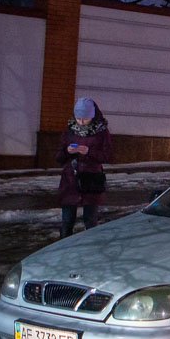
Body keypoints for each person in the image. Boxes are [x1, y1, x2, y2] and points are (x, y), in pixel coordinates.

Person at [56, 97, 113, 238]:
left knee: (91, 221)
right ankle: (63, 248)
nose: (81, 122)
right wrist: (67, 151)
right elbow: (58, 158)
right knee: (67, 221)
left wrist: (88, 151)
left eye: (85, 118)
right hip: (70, 180)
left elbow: (108, 156)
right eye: (78, 118)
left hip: (91, 180)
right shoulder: (70, 131)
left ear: (92, 116)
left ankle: (90, 248)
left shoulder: (102, 132)